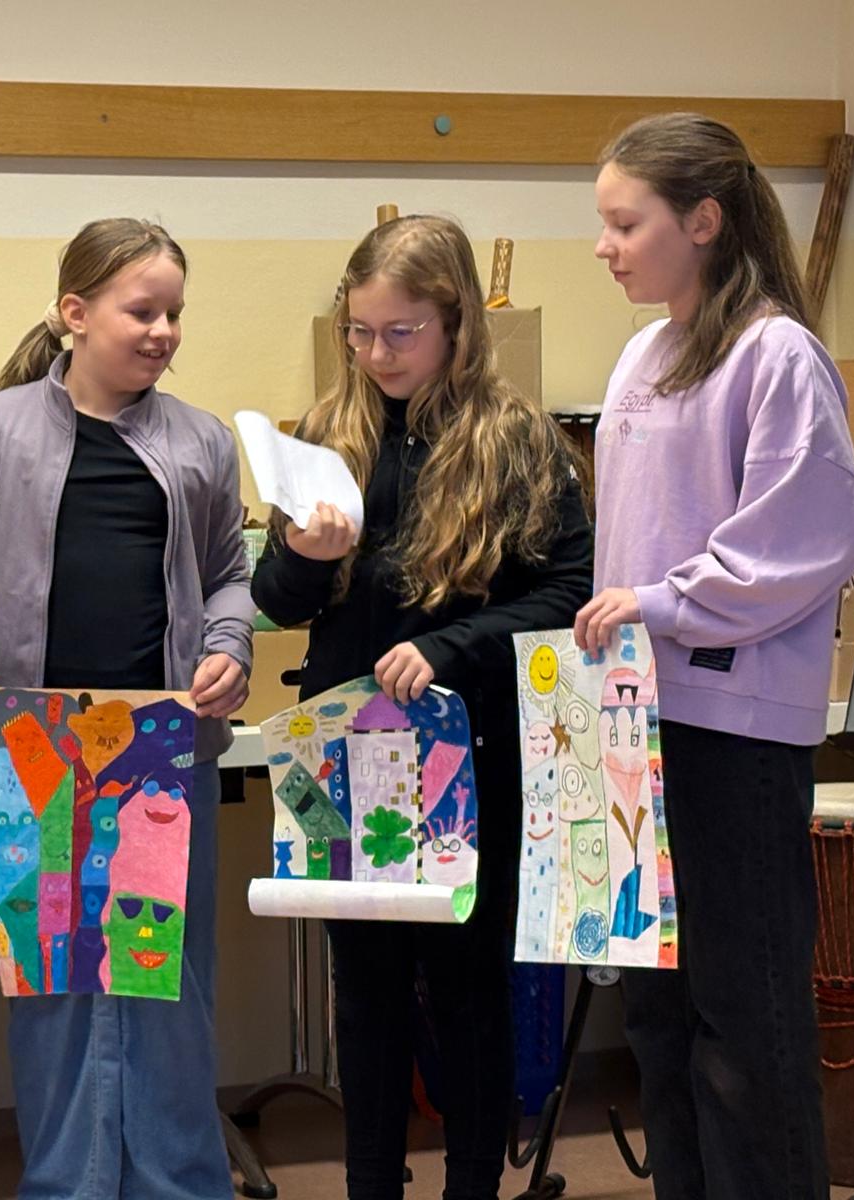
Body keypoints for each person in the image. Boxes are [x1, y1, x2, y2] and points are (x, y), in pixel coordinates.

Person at [252, 213, 593, 1200]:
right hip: (341, 752)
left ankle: (473, 1186)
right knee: (364, 995)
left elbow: (569, 590)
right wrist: (299, 557)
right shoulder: (327, 435)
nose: (376, 354)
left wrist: (449, 646)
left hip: (467, 753)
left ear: (454, 323)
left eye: (400, 333)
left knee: (466, 990)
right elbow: (277, 601)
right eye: (358, 332)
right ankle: (371, 1186)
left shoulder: (516, 440)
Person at [0, 217, 253, 1199]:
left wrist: (229, 647)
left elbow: (230, 577)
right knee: (51, 986)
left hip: (160, 748)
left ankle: (179, 1185)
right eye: (141, 311)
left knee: (165, 991)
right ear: (75, 313)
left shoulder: (202, 441)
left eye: (174, 314)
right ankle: (66, 1184)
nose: (163, 332)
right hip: (35, 748)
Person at [575, 112, 854, 1200]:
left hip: (733, 735)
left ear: (702, 221)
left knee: (746, 1022)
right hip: (636, 722)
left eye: (625, 224)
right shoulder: (642, 353)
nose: (604, 247)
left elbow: (807, 539)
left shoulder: (776, 353)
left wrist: (660, 603)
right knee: (659, 1020)